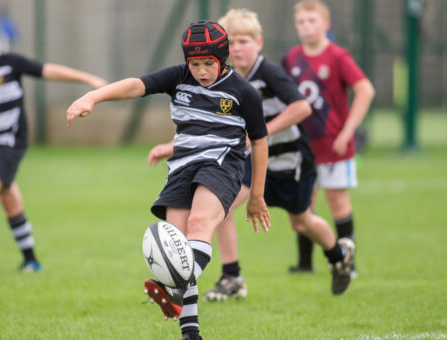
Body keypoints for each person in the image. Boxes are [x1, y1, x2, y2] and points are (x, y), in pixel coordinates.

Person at [67, 20, 270, 340]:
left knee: (200, 224)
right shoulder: (178, 77)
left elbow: (259, 142)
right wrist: (93, 97)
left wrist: (256, 195)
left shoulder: (243, 92)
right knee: (178, 244)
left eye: (208, 64)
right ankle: (190, 332)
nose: (201, 71)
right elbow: (136, 85)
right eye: (195, 63)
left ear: (223, 58)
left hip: (222, 166)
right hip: (182, 167)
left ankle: (171, 287)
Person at [149, 8, 356, 299]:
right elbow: (209, 131)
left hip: (288, 159)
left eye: (244, 41)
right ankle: (232, 276)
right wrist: (171, 147)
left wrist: (260, 134)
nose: (237, 48)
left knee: (301, 221)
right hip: (247, 159)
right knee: (223, 206)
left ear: (258, 43)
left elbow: (302, 108)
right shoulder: (218, 79)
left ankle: (338, 255)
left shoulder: (267, 72)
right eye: (231, 42)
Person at [0, 16, 108, 275]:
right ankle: (31, 260)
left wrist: (88, 79)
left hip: (10, 141)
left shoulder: (10, 63)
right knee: (9, 198)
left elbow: (48, 70)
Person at [282, 0, 375, 276]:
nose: (306, 27)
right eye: (301, 22)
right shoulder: (291, 58)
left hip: (334, 145)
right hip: (303, 146)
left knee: (337, 202)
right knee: (303, 203)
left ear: (326, 24)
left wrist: (348, 131)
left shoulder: (337, 57)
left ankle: (348, 263)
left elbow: (365, 90)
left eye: (312, 21)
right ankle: (304, 264)